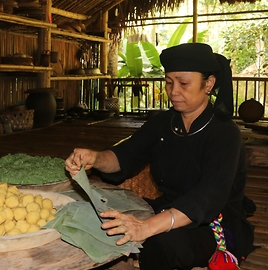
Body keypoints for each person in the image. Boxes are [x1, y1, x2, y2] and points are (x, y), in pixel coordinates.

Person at [65, 43, 255, 269]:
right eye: (169, 82)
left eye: (183, 83)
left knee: (165, 243)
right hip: (166, 209)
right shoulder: (164, 124)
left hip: (213, 223)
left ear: (209, 84)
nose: (173, 91)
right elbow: (124, 156)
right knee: (102, 217)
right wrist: (94, 158)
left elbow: (208, 198)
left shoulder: (224, 133)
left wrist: (146, 227)